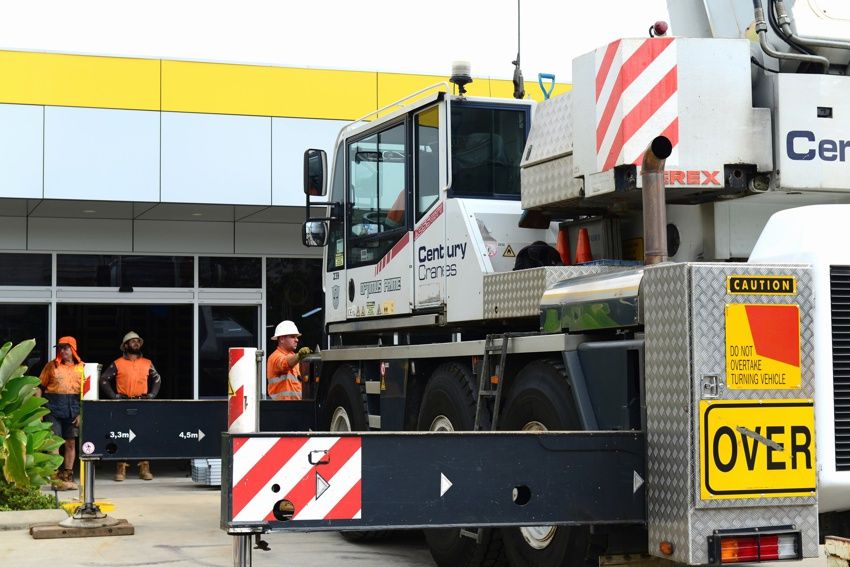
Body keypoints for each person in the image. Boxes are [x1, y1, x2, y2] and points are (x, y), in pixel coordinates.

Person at [99, 331, 161, 481]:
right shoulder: (117, 363)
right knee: (122, 434)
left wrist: (152, 395)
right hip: (124, 403)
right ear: (125, 345)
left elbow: (157, 378)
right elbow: (104, 379)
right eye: (132, 341)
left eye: (138, 341)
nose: (136, 344)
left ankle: (144, 468)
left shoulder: (147, 362)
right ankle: (121, 469)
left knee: (144, 434)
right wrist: (114, 396)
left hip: (142, 402)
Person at [36, 336, 84, 491]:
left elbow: (87, 393)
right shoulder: (52, 366)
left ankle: (68, 475)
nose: (63, 351)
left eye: (66, 347)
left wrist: (82, 413)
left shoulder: (82, 368)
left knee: (70, 442)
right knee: (55, 443)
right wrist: (39, 410)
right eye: (60, 348)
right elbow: (39, 388)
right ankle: (55, 476)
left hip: (73, 409)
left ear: (73, 349)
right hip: (53, 408)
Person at [267, 321, 311, 400]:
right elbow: (285, 363)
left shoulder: (294, 357)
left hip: (295, 406)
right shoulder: (274, 357)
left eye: (297, 337)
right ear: (282, 339)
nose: (296, 340)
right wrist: (299, 355)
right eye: (292, 336)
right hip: (281, 407)